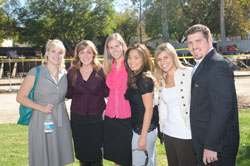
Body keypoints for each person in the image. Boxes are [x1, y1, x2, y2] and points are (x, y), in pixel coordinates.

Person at [186, 24, 239, 166]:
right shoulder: (202, 63)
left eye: (198, 41)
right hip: (204, 141)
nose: (194, 46)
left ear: (209, 40)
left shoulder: (217, 65)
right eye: (190, 43)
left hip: (216, 148)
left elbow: (222, 110)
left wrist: (211, 146)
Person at [16, 39, 74, 166]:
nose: (56, 55)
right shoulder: (35, 72)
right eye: (53, 51)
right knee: (42, 157)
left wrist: (62, 96)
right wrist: (41, 108)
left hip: (61, 120)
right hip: (41, 119)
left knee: (59, 156)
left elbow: (66, 92)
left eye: (60, 52)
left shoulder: (64, 73)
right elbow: (20, 97)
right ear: (46, 53)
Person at [66, 40, 109, 166]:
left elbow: (109, 92)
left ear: (94, 54)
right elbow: (67, 93)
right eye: (82, 52)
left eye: (88, 52)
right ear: (77, 55)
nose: (85, 56)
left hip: (97, 119)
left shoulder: (101, 71)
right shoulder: (71, 72)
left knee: (96, 156)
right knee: (83, 156)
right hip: (78, 120)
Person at [153, 42, 196, 166]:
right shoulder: (161, 80)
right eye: (159, 59)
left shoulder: (189, 74)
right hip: (168, 133)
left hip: (186, 134)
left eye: (166, 57)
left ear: (173, 56)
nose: (162, 62)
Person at [124, 43, 158, 166]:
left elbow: (149, 109)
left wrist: (142, 136)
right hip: (141, 129)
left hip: (144, 131)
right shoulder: (135, 77)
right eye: (129, 57)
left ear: (144, 59)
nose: (131, 61)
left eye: (136, 57)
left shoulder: (144, 79)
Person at [103, 33, 132, 166]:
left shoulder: (131, 64)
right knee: (117, 160)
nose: (114, 50)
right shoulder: (108, 67)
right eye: (110, 47)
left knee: (128, 158)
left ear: (122, 46)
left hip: (128, 118)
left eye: (117, 46)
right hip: (111, 118)